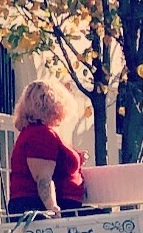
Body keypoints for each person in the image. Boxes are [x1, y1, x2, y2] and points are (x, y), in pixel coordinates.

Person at [6, 78, 86, 217]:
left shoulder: (37, 133)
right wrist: (52, 208)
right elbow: (43, 177)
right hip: (46, 205)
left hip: (56, 203)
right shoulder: (41, 134)